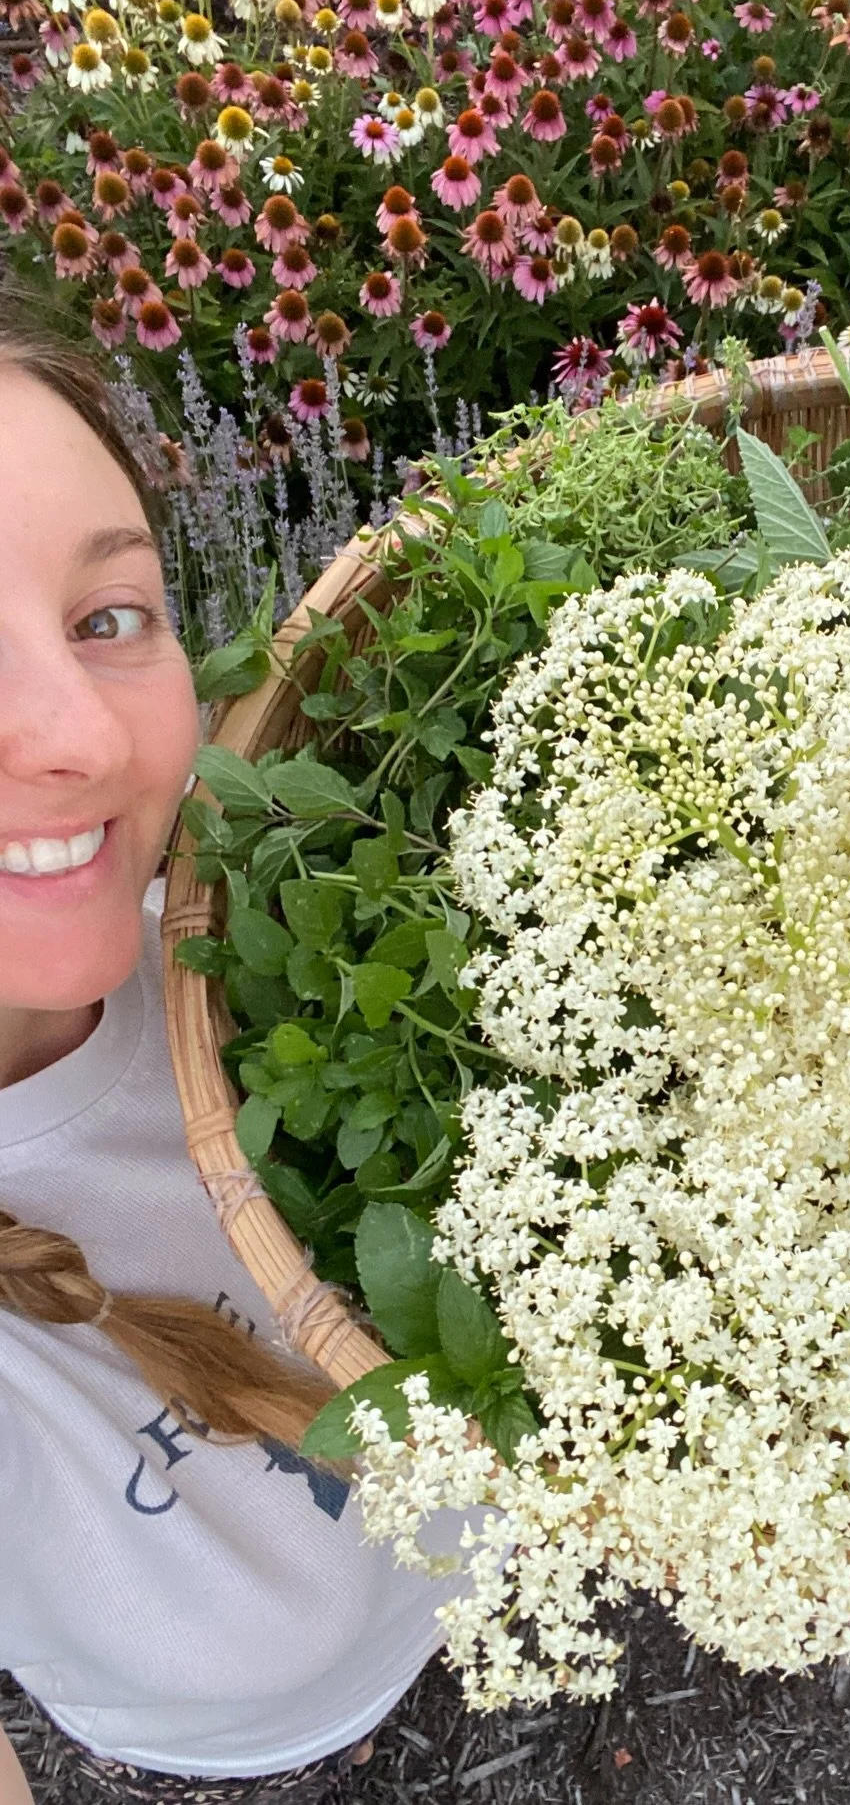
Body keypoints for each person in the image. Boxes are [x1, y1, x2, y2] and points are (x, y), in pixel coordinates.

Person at [0, 324, 503, 1804]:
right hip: (226, 1739)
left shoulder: (274, 929)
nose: (83, 736)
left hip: (472, 1580)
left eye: (106, 617)